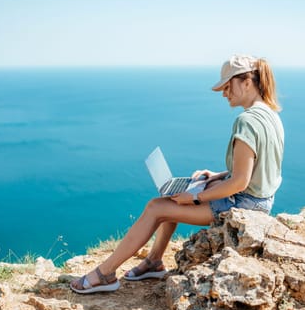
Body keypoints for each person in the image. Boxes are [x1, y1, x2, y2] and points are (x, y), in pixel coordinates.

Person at [70, 54, 285, 294]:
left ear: (246, 82)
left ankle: (105, 274)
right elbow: (260, 167)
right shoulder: (270, 115)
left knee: (156, 207)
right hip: (260, 201)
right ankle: (153, 262)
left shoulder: (247, 121)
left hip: (244, 204)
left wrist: (195, 198)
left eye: (227, 85)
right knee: (173, 196)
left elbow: (240, 181)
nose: (224, 92)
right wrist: (215, 176)